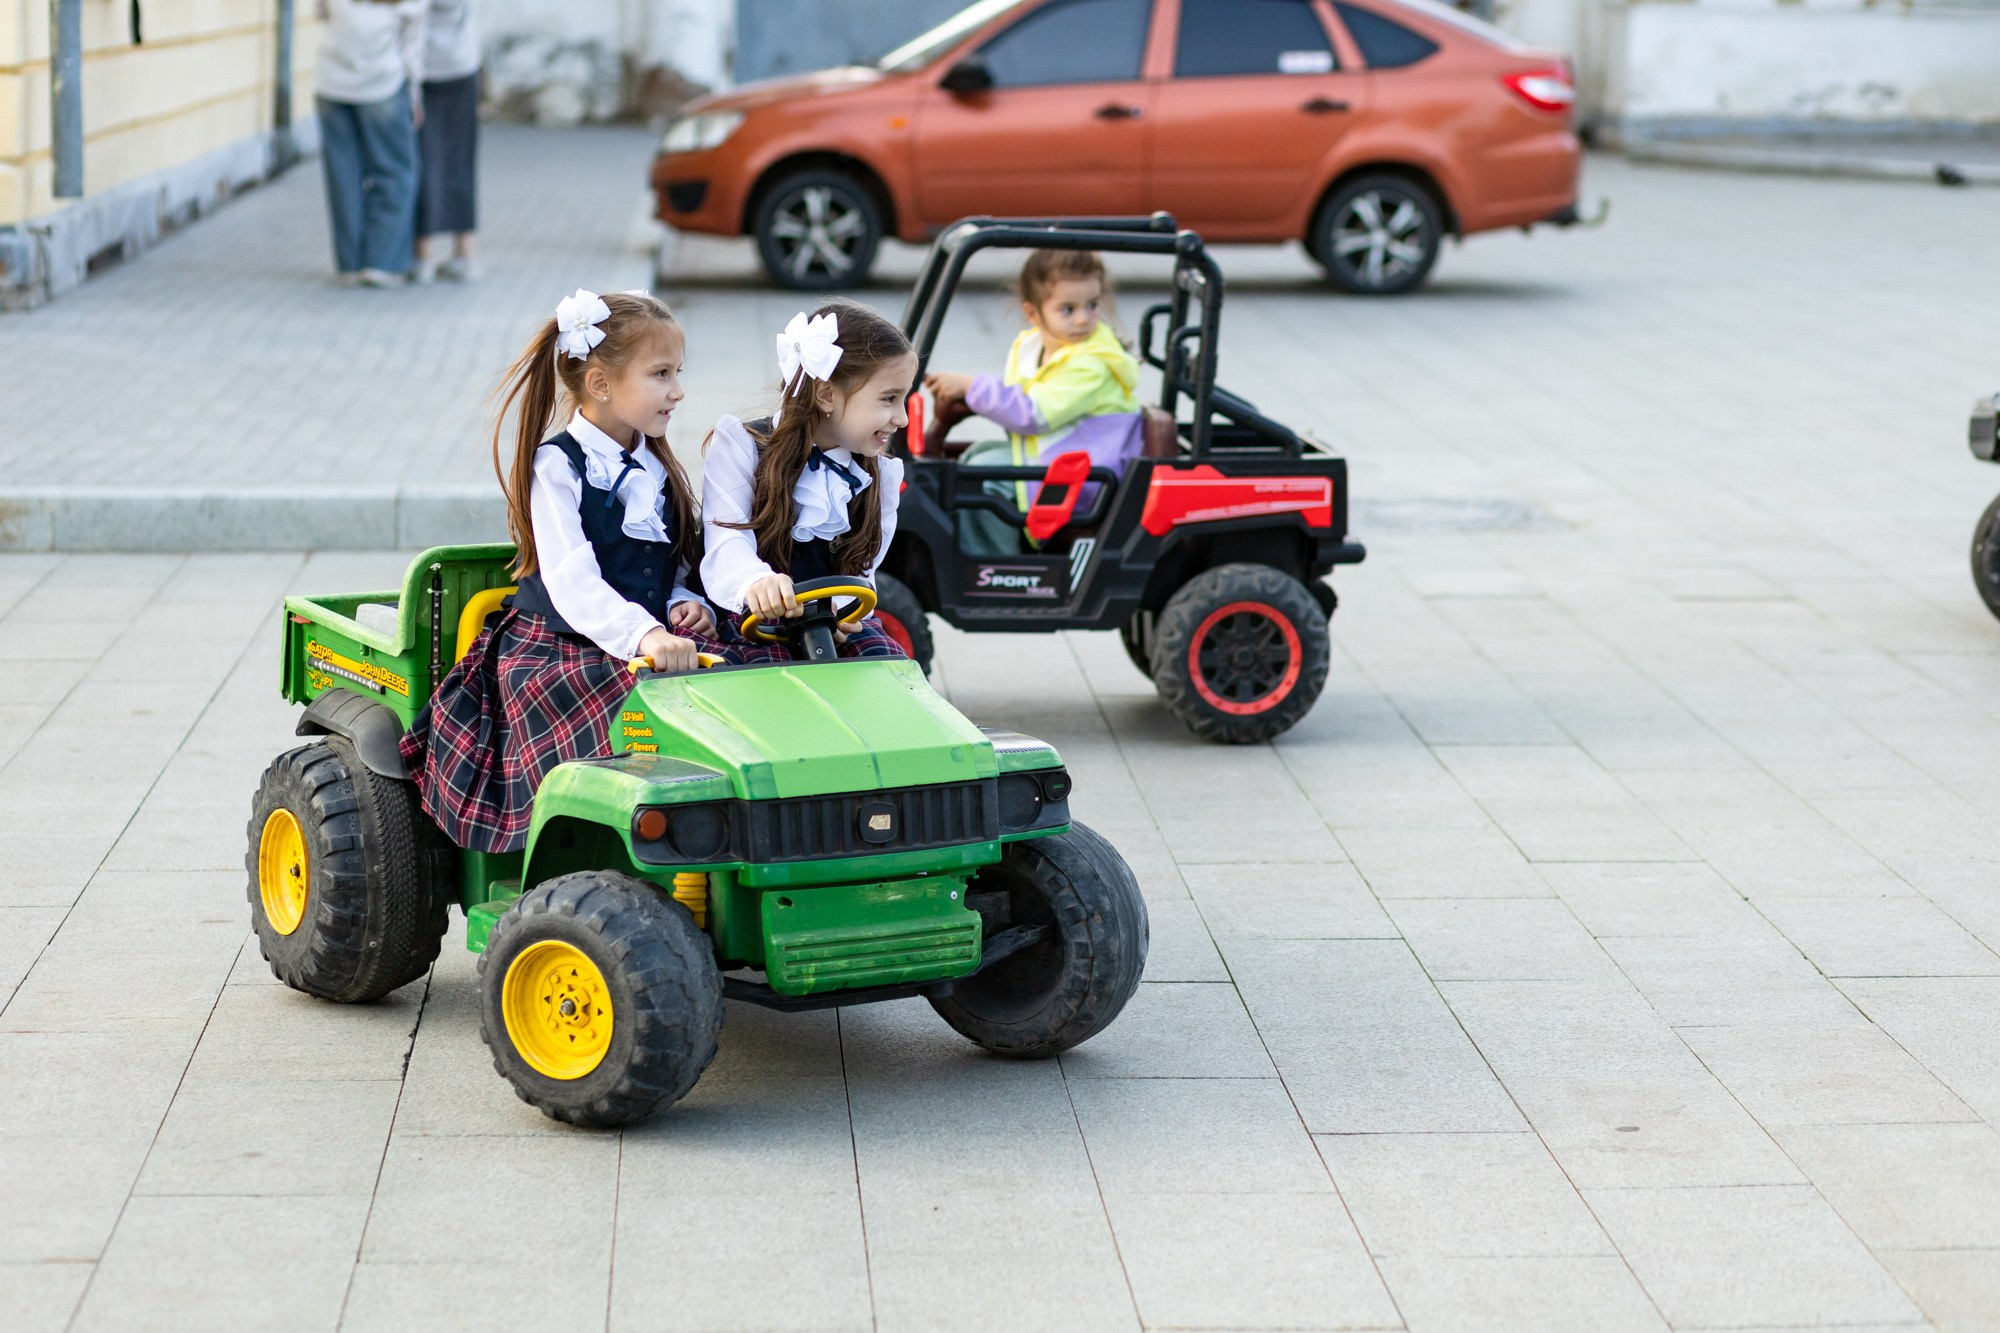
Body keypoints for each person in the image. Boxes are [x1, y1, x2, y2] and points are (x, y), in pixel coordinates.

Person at [400, 289, 719, 852]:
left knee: (736, 675)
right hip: (558, 643)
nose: (678, 390)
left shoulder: (654, 463)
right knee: (634, 699)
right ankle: (600, 836)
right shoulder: (556, 466)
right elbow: (572, 579)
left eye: (678, 372)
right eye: (661, 374)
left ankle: (711, 830)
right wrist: (644, 634)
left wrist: (680, 602)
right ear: (600, 383)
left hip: (642, 637)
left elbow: (671, 562)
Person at [702, 302, 914, 664]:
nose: (903, 418)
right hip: (752, 620)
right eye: (889, 399)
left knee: (887, 668)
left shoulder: (879, 475)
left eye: (903, 399)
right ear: (827, 394)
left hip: (832, 622)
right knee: (767, 675)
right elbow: (725, 539)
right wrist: (756, 582)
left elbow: (862, 570)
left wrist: (843, 611)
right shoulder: (741, 446)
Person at [924, 249, 1142, 552]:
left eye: (1092, 305)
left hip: (1084, 476)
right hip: (1060, 457)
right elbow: (1019, 395)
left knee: (982, 480)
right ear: (1033, 313)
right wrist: (971, 393)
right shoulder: (1034, 345)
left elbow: (1033, 413)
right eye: (1068, 309)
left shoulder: (1092, 362)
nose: (1083, 319)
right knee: (976, 456)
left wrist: (972, 388)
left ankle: (993, 566)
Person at [315, 0, 427, 287]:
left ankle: (349, 265)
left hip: (331, 82)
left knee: (343, 177)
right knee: (395, 172)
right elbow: (413, 41)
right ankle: (382, 264)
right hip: (383, 82)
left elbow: (321, 13)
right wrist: (414, 93)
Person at [412, 0, 481, 283]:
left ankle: (422, 257)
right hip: (462, 66)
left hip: (423, 69)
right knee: (461, 161)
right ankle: (465, 253)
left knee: (423, 161)